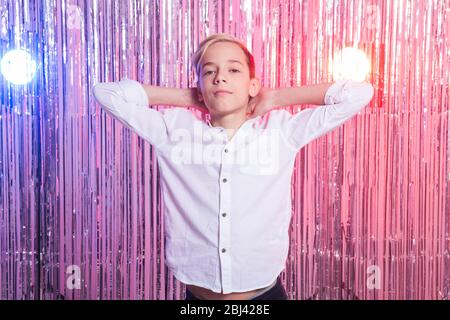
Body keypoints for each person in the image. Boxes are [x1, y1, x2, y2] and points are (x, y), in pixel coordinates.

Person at [93, 33, 374, 300]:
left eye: (234, 70)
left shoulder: (281, 131)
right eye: (209, 72)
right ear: (200, 87)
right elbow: (107, 93)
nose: (221, 77)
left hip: (264, 298)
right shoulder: (172, 129)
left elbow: (358, 93)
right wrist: (189, 97)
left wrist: (274, 97)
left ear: (253, 85)